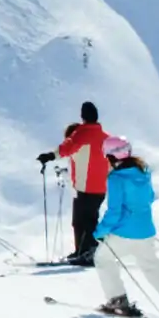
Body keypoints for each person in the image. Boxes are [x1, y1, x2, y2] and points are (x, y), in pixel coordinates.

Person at [94, 138, 159, 318]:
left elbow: (114, 210)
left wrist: (100, 230)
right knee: (152, 267)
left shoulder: (116, 178)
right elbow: (150, 197)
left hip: (123, 232)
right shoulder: (143, 172)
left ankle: (117, 301)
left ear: (111, 156)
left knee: (103, 258)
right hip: (146, 231)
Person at [60, 103, 111, 265]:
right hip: (91, 187)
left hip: (91, 187)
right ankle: (82, 251)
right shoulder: (99, 139)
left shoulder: (83, 141)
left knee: (87, 220)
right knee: (81, 220)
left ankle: (89, 252)